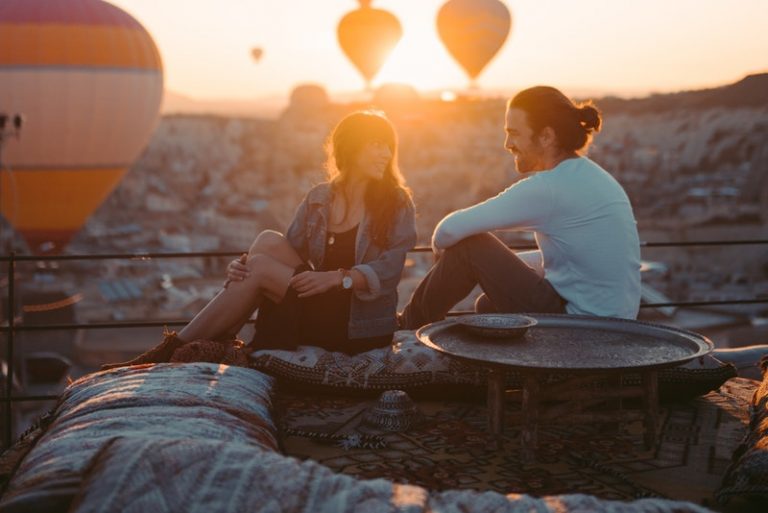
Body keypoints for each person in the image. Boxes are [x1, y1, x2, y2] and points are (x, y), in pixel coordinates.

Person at [104, 110, 416, 369]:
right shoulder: (320, 198)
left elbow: (390, 270)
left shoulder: (396, 203)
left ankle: (168, 353)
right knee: (265, 242)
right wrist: (242, 268)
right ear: (351, 147)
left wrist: (339, 278)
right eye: (377, 144)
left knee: (262, 268)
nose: (386, 154)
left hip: (357, 323)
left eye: (389, 145)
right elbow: (287, 250)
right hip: (317, 302)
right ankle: (208, 343)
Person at [399, 86, 641, 330]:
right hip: (614, 326)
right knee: (487, 307)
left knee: (470, 247)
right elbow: (576, 260)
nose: (507, 144)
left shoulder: (549, 187)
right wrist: (498, 265)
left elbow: (448, 231)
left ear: (546, 136)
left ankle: (407, 325)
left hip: (579, 328)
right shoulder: (593, 177)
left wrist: (445, 250)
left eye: (514, 133)